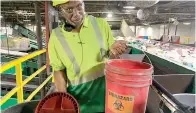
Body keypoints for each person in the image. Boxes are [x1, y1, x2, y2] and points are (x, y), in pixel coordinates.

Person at [48, 0, 128, 112]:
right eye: (69, 9)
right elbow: (58, 70)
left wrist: (116, 51)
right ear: (60, 10)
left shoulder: (101, 24)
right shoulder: (56, 37)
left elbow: (112, 56)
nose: (76, 14)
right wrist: (64, 99)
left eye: (79, 6)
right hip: (78, 102)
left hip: (107, 97)